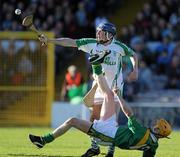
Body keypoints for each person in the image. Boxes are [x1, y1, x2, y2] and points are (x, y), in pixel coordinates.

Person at [29, 52, 172, 157]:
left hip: (107, 134)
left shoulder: (143, 132)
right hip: (111, 130)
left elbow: (129, 113)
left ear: (158, 131)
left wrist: (119, 97)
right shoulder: (153, 146)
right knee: (106, 96)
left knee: (73, 120)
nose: (155, 123)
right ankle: (97, 65)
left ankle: (44, 140)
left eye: (157, 125)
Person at [38, 22, 138, 157]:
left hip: (115, 88)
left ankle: (111, 151)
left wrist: (135, 69)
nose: (98, 34)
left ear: (109, 34)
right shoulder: (91, 43)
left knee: (112, 121)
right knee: (94, 119)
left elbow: (133, 55)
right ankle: (95, 147)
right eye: (98, 31)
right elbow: (70, 42)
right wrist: (49, 40)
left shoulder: (119, 46)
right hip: (98, 87)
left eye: (101, 32)